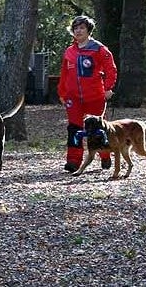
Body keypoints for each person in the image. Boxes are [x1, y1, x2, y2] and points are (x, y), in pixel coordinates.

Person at [57, 15, 118, 173]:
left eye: (82, 28)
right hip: (73, 98)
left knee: (98, 128)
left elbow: (111, 69)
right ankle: (73, 161)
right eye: (76, 28)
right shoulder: (69, 51)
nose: (78, 31)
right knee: (74, 128)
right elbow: (64, 74)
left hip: (95, 97)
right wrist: (62, 92)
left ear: (89, 30)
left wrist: (108, 88)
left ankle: (105, 155)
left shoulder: (99, 49)